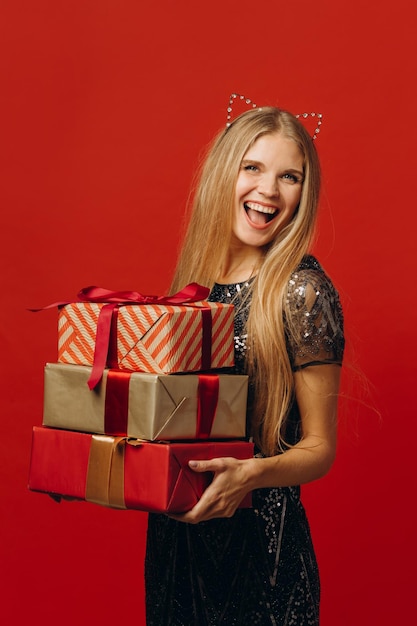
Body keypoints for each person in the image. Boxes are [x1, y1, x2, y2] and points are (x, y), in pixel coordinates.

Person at [145, 97, 345, 625]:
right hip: (178, 546)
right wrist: (104, 464)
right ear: (223, 172)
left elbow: (320, 449)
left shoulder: (301, 289)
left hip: (262, 555)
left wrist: (252, 476)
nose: (268, 191)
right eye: (252, 167)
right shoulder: (193, 286)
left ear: (305, 192)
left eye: (290, 177)